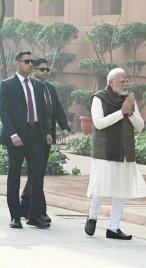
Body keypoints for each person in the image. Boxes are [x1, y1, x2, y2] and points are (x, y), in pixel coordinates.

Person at [84, 68, 146, 240]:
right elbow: (98, 123)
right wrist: (121, 112)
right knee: (101, 185)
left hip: (125, 150)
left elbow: (140, 126)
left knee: (121, 189)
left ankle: (113, 228)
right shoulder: (99, 98)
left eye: (127, 81)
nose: (126, 84)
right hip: (104, 150)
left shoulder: (129, 100)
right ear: (110, 83)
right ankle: (92, 216)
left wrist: (129, 112)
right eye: (122, 81)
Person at [0, 51, 52, 229]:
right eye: (27, 61)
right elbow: (4, 113)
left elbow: (43, 111)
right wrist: (13, 134)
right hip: (17, 137)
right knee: (14, 176)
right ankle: (15, 216)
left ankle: (35, 215)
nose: (31, 64)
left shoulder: (37, 85)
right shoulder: (7, 85)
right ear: (17, 63)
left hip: (36, 134)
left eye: (32, 61)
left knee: (37, 175)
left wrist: (46, 132)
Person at [19, 58, 71, 224]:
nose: (45, 73)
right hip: (34, 136)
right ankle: (36, 211)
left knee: (37, 173)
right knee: (37, 174)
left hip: (47, 137)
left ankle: (26, 206)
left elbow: (57, 109)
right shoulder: (30, 89)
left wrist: (64, 126)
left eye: (48, 70)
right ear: (33, 70)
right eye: (42, 69)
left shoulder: (50, 88)